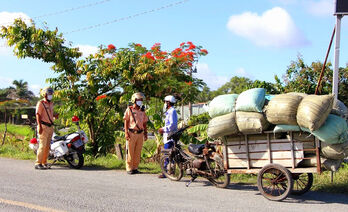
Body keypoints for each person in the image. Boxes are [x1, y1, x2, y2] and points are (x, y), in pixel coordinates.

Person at [123, 92, 148, 174]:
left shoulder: (142, 111)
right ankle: (129, 168)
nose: (140, 101)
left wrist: (145, 133)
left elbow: (144, 123)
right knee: (130, 151)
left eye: (141, 100)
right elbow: (126, 121)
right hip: (132, 133)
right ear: (134, 100)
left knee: (138, 151)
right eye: (139, 100)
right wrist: (126, 132)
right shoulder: (129, 109)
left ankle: (135, 167)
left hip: (140, 134)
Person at [35, 87, 55, 170]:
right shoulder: (41, 103)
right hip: (43, 126)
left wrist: (54, 116)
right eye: (49, 93)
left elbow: (49, 114)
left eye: (51, 93)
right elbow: (38, 115)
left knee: (47, 146)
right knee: (42, 145)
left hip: (50, 126)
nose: (50, 95)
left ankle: (44, 162)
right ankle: (38, 163)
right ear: (45, 94)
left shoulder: (51, 104)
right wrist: (39, 126)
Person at [158, 95, 178, 178]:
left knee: (168, 154)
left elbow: (172, 125)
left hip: (170, 137)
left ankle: (166, 172)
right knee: (170, 155)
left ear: (168, 102)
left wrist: (163, 129)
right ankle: (170, 171)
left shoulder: (172, 111)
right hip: (168, 136)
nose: (164, 104)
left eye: (165, 102)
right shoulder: (169, 111)